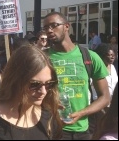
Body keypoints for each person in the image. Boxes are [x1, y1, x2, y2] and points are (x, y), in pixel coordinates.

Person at [43, 12, 110, 140]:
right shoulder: (42, 58)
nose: (49, 30)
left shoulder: (90, 57)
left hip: (84, 130)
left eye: (54, 25)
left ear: (66, 26)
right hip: (52, 129)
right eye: (46, 28)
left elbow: (105, 97)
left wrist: (82, 113)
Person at [0, 45, 63, 140]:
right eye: (34, 84)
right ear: (15, 80)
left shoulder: (48, 113)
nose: (43, 91)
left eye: (49, 84)